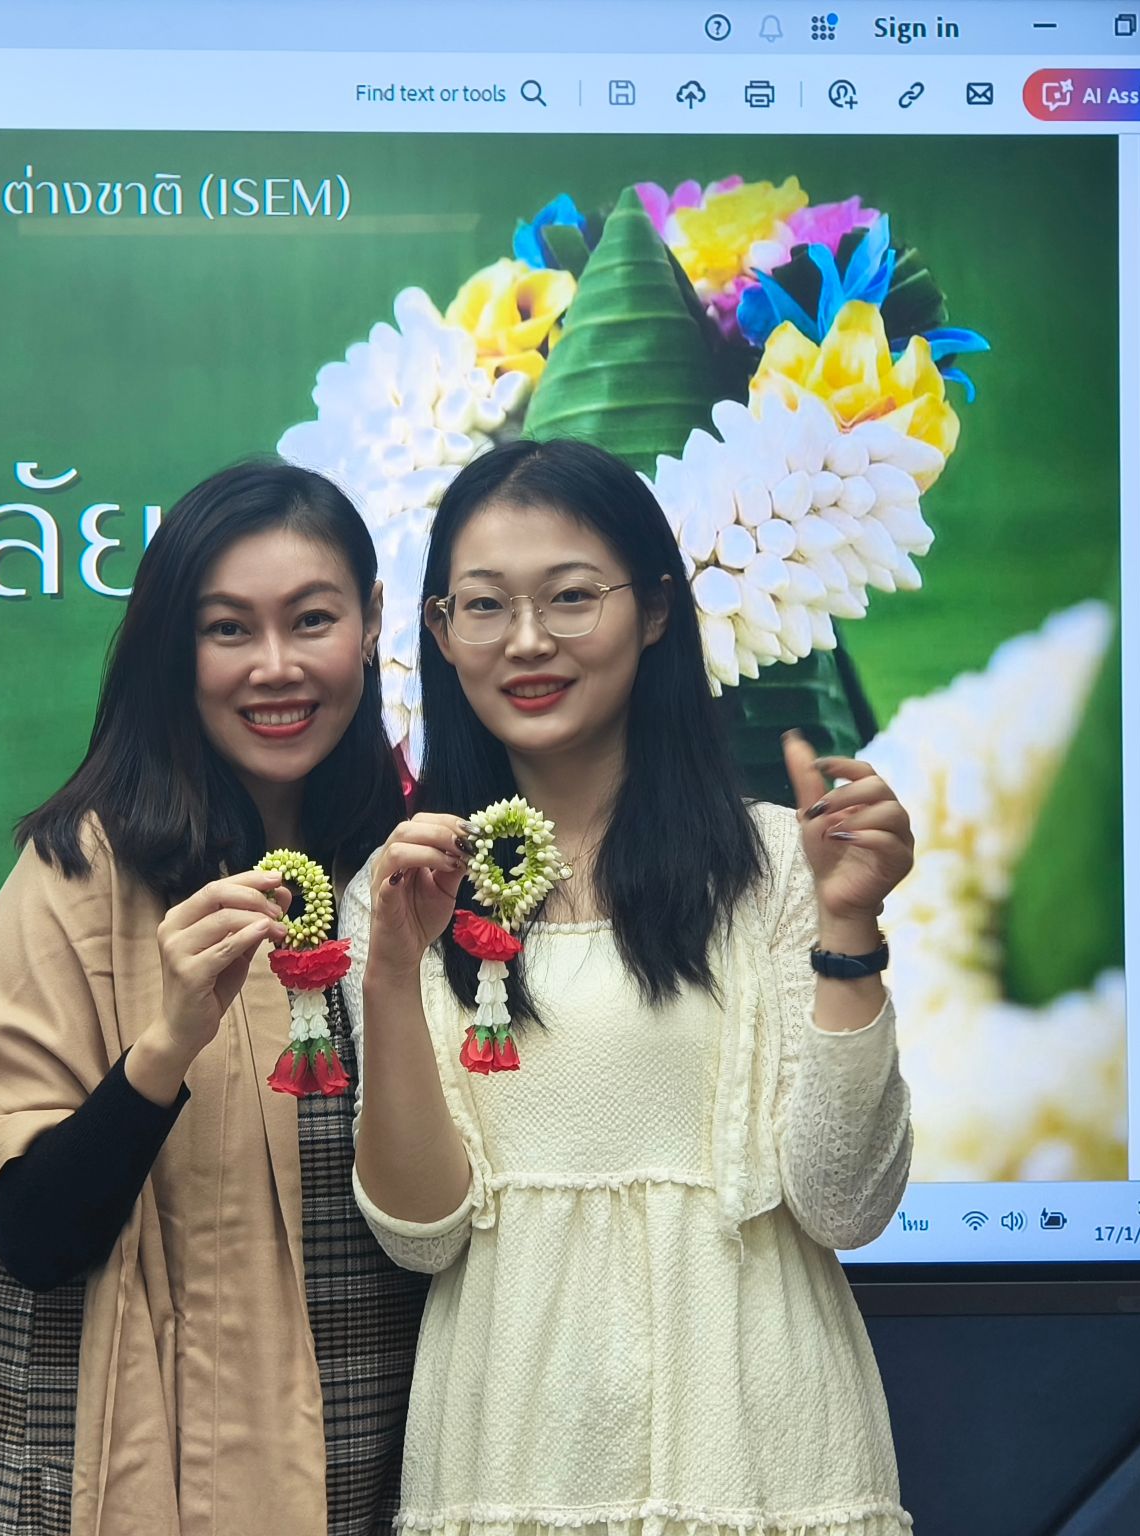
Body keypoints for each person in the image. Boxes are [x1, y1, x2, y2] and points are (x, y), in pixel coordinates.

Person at [345, 437, 918, 1536]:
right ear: (440, 633)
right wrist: (389, 973)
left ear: (654, 610)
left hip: (757, 1448)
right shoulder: (405, 886)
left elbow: (846, 1205)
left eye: (571, 597)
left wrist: (850, 927)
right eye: (484, 605)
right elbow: (421, 1235)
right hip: (508, 1452)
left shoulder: (776, 865)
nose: (527, 641)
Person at [0, 462, 426, 1536]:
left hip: (395, 1449)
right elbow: (34, 1239)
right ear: (173, 649)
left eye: (312, 620)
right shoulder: (81, 872)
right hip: (148, 1465)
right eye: (227, 629)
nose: (276, 667)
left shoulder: (412, 866)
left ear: (372, 621)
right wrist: (168, 1042)